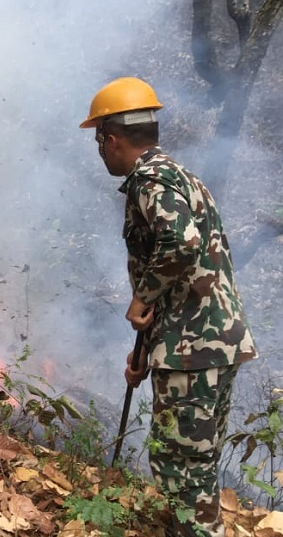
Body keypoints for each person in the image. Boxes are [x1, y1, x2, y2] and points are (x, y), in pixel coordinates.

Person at [81, 76, 257, 537]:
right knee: (195, 466)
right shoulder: (181, 177)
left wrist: (141, 298)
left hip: (194, 350)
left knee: (182, 472)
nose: (100, 152)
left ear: (112, 140)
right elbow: (186, 275)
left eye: (100, 141)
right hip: (208, 343)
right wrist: (144, 352)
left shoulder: (151, 181)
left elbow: (181, 244)